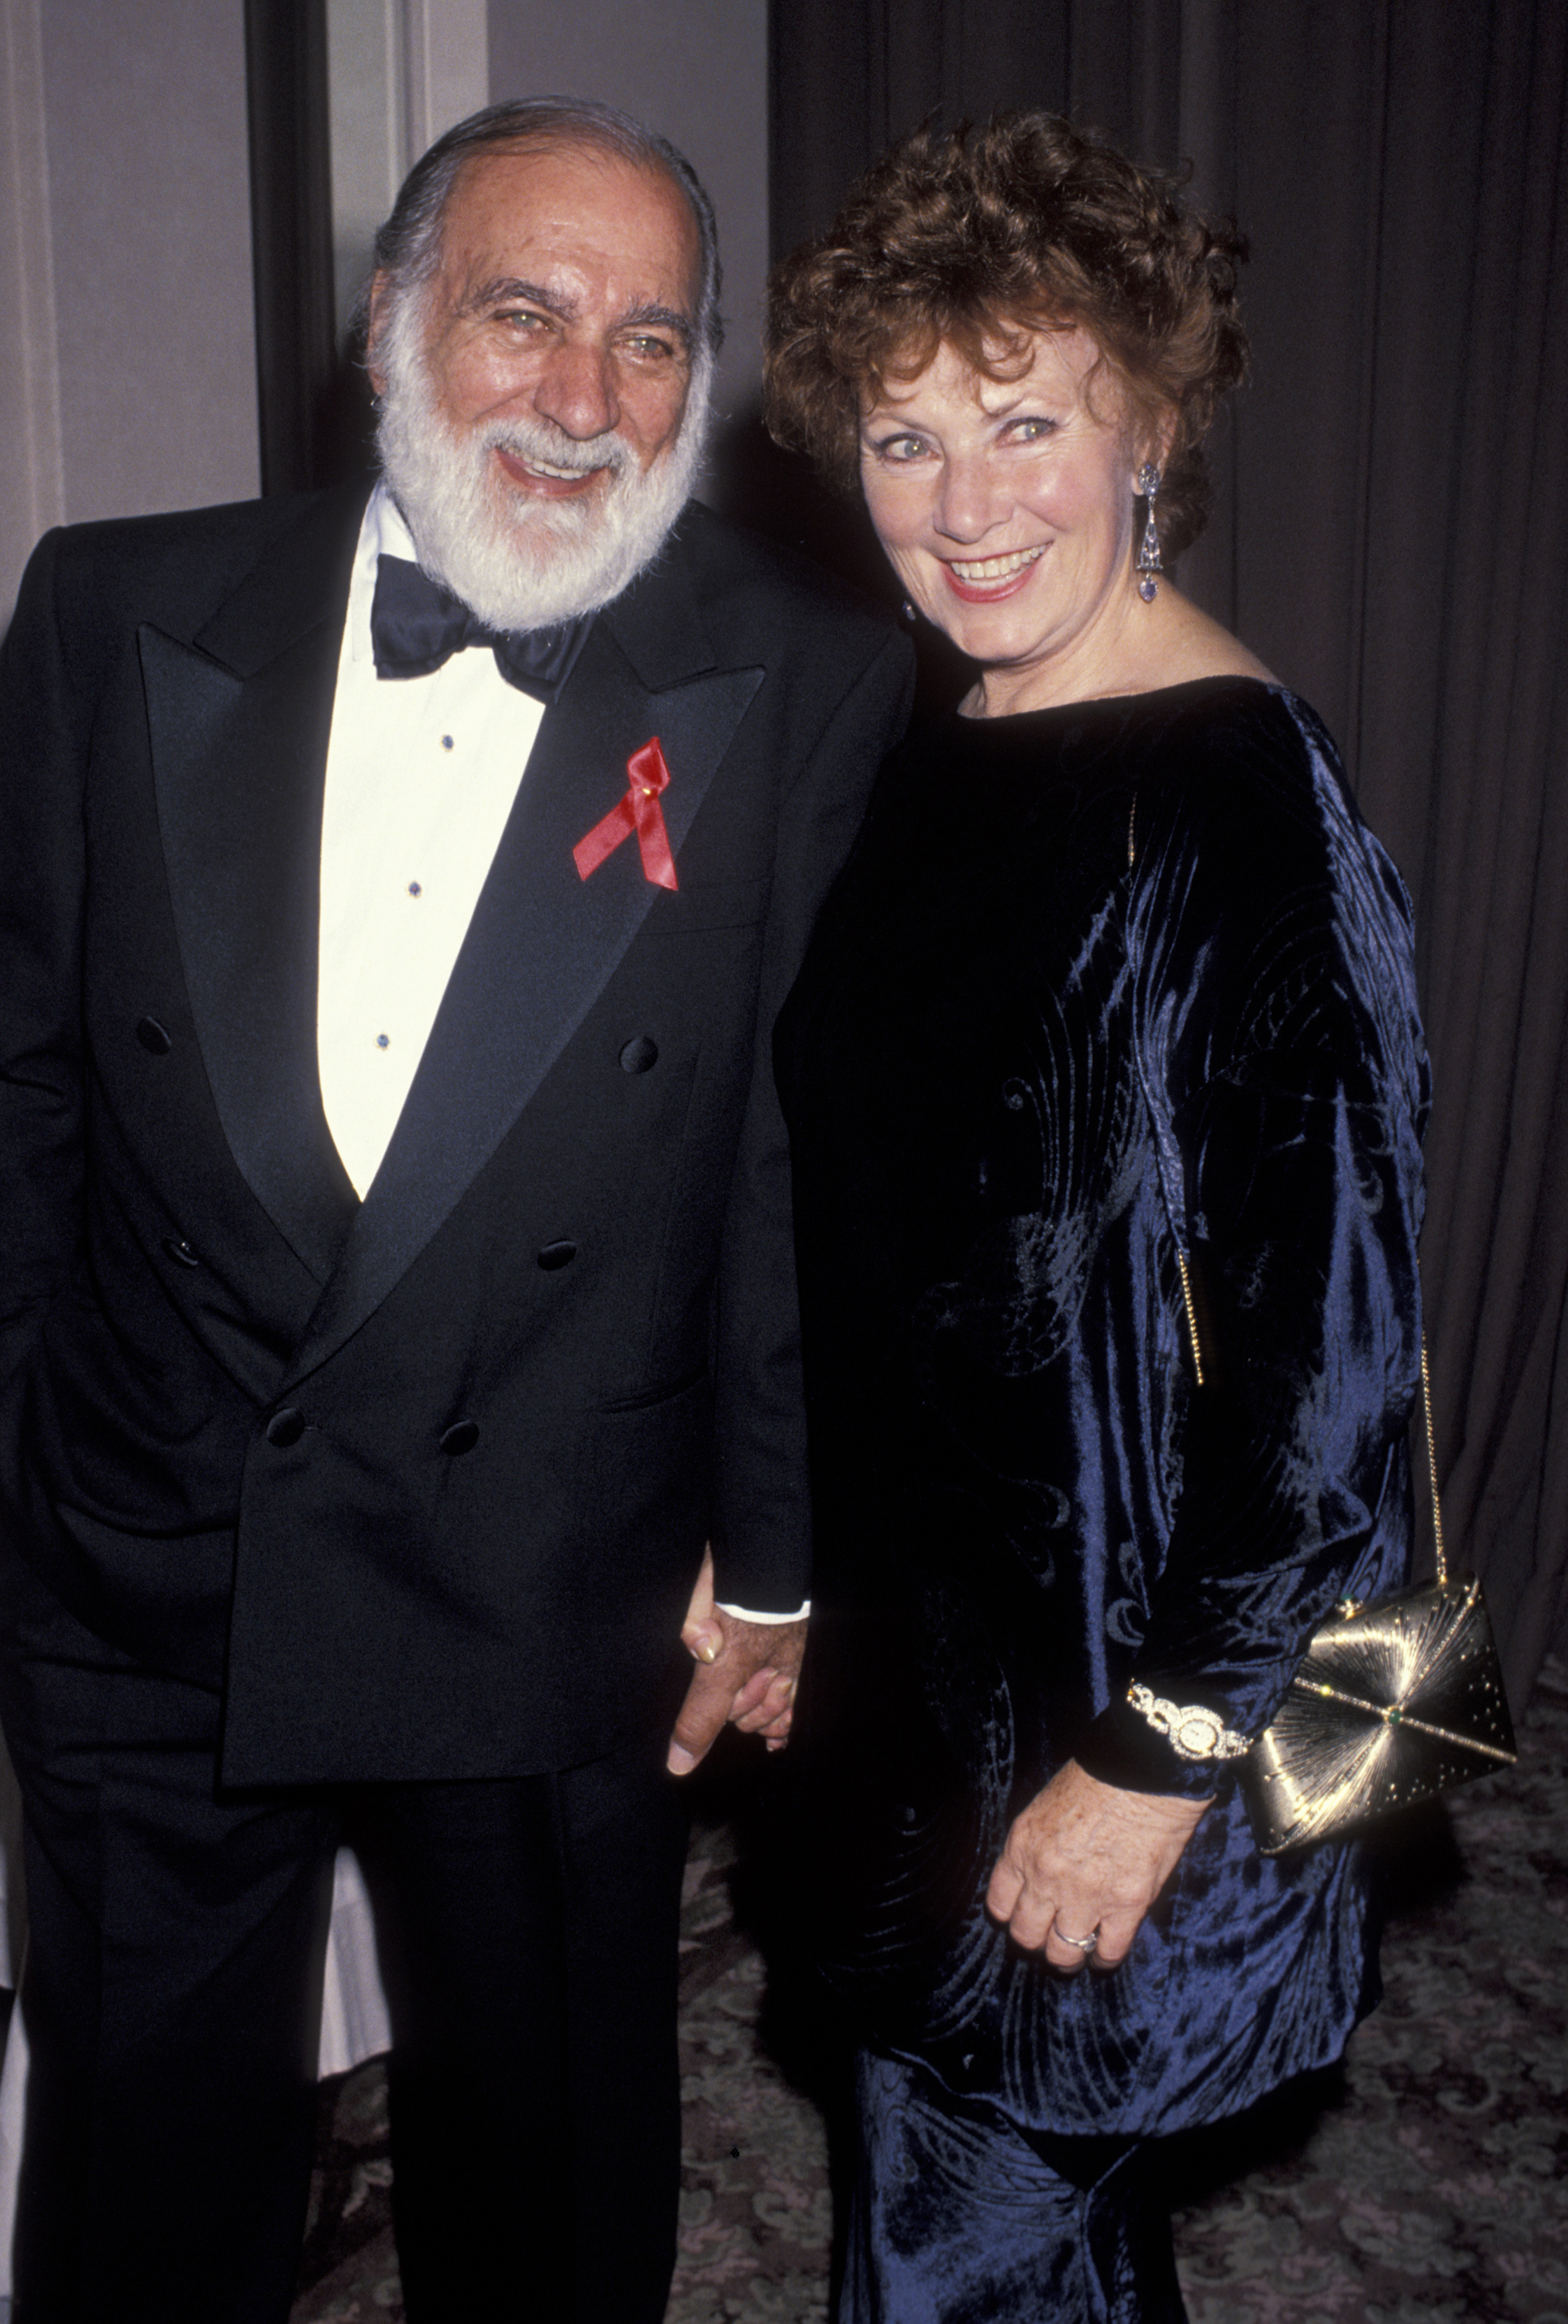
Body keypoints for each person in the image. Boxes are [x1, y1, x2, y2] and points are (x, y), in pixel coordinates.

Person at [0, 96, 911, 2324]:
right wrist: (21, 1432)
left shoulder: (803, 676)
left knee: (543, 2196)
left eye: (651, 342)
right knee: (142, 2187)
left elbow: (782, 1158)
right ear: (392, 324)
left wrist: (766, 1560)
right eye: (523, 316)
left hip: (548, 1589)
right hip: (152, 1571)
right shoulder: (116, 608)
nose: (583, 400)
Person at [762, 113, 1431, 2321]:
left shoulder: (1232, 789)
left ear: (1149, 421)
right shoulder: (948, 734)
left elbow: (1334, 1364)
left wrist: (1150, 1761)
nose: (964, 505)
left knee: (962, 2254)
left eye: (1025, 422)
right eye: (902, 436)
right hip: (921, 1676)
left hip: (1110, 1706)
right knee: (1000, 2236)